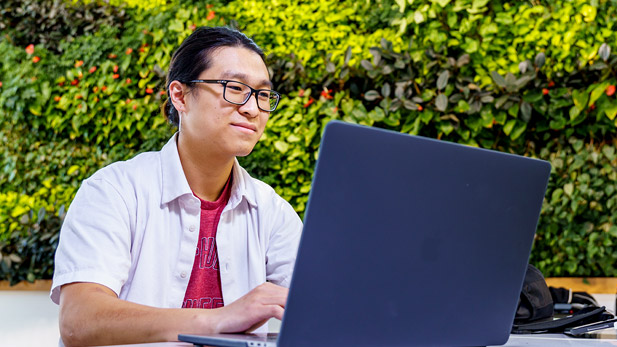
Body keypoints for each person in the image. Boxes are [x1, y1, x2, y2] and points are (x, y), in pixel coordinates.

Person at [51, 26, 303, 346]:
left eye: (263, 94)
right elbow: (79, 321)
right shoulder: (113, 191)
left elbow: (320, 310)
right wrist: (217, 320)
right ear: (180, 96)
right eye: (234, 87)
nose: (252, 108)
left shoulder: (272, 212)